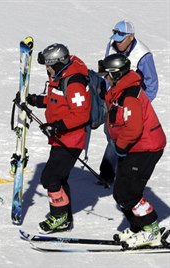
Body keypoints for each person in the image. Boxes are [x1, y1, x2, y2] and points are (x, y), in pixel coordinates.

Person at [99, 54, 166, 248]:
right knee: (121, 191)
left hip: (146, 147)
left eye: (108, 75)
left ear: (116, 74)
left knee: (129, 193)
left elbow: (134, 128)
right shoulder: (120, 91)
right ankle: (139, 227)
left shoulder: (129, 95)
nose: (106, 78)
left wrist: (119, 147)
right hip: (135, 147)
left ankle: (151, 229)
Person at [24, 43, 91, 234]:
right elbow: (57, 101)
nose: (47, 69)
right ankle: (65, 215)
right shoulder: (61, 76)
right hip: (61, 138)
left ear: (59, 63)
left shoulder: (74, 82)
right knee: (59, 177)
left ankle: (59, 216)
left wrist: (57, 126)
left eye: (49, 65)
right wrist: (37, 101)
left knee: (50, 178)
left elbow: (81, 114)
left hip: (71, 139)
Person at [100, 20, 159, 185]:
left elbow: (152, 83)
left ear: (131, 37)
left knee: (123, 139)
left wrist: (139, 104)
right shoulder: (112, 45)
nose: (117, 42)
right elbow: (107, 70)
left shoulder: (143, 55)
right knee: (111, 135)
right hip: (112, 99)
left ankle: (110, 174)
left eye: (121, 39)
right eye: (116, 38)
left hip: (130, 105)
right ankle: (110, 173)